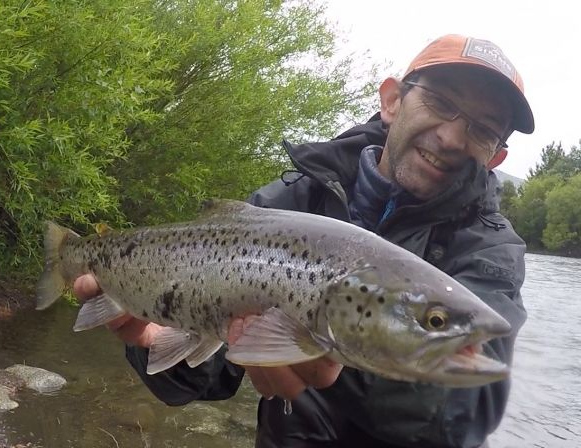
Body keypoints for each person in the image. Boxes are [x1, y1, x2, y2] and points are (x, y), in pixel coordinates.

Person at [73, 34, 535, 448]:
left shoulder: (491, 249)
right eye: (440, 102)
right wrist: (149, 339)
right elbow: (205, 379)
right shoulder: (294, 198)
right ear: (392, 101)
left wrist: (335, 365)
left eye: (482, 128)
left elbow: (468, 416)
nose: (453, 136)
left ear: (496, 156)